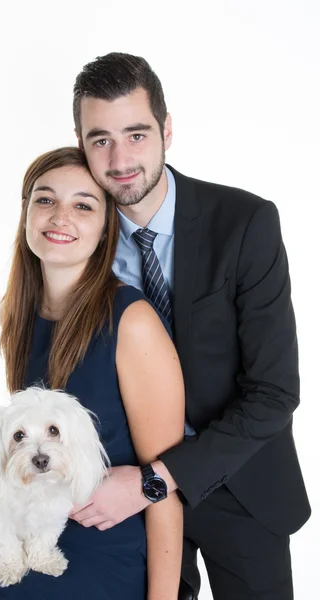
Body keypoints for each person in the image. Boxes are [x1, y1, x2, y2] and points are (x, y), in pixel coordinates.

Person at [70, 52, 311, 600]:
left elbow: (274, 393)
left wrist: (159, 478)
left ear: (167, 129)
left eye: (136, 134)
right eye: (100, 139)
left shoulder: (246, 223)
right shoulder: (78, 238)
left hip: (239, 483)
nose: (120, 158)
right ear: (81, 143)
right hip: (123, 498)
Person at [0, 147, 185, 600]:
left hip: (101, 540)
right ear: (25, 213)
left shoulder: (133, 322)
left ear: (106, 230)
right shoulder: (18, 313)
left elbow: (167, 489)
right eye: (46, 200)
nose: (61, 216)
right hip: (22, 513)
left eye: (83, 205)